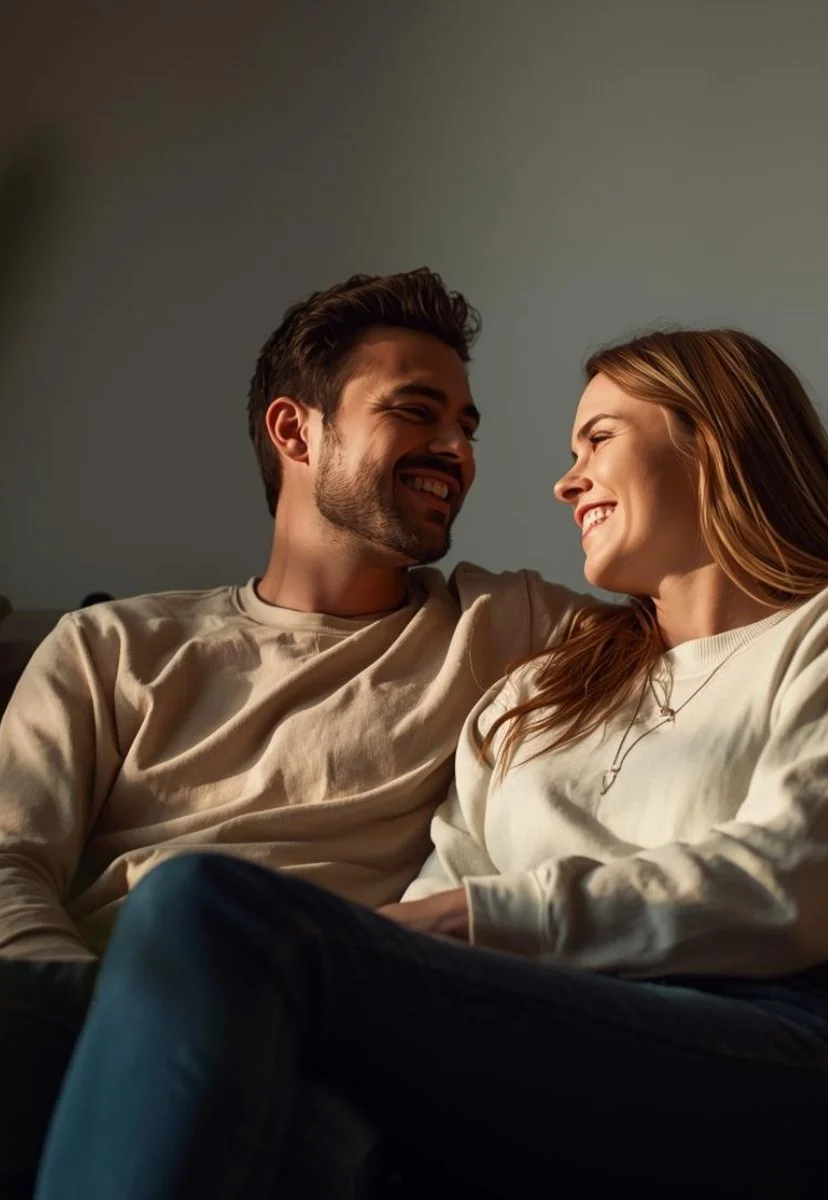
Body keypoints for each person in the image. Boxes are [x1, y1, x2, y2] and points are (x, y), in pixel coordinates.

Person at [34, 329, 828, 1199]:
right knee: (295, 1114)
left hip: (788, 1028)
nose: (565, 482)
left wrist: (465, 923)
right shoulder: (540, 690)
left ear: (713, 437)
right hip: (552, 1031)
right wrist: (422, 940)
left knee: (204, 904)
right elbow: (441, 890)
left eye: (597, 439)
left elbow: (794, 882)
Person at [0, 269, 589, 1198]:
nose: (457, 450)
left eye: (467, 426)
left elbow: (722, 626)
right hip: (84, 1002)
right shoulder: (112, 647)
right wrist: (94, 1019)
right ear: (294, 431)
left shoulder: (505, 625)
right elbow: (7, 859)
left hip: (312, 1032)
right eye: (416, 411)